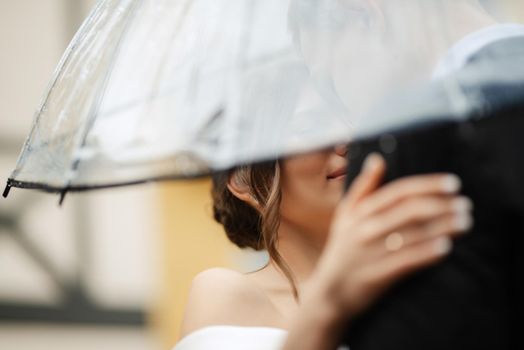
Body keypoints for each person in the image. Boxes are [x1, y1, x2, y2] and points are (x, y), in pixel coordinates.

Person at [174, 148, 473, 349]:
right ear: (244, 179)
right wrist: (330, 301)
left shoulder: (418, 280)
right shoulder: (224, 292)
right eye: (313, 128)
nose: (345, 143)